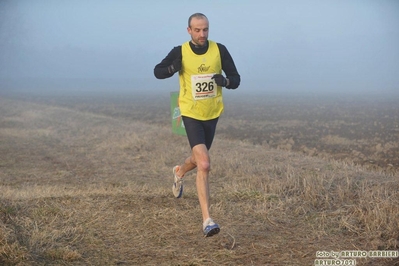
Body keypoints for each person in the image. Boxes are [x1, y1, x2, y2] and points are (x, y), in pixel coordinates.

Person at [154, 13, 240, 237]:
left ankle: (179, 171)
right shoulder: (180, 51)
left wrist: (226, 82)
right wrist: (174, 67)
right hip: (190, 113)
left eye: (206, 30)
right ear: (189, 30)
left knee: (197, 159)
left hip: (212, 114)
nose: (202, 34)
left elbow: (236, 79)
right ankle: (207, 220)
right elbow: (158, 71)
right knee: (204, 164)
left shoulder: (219, 50)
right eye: (198, 30)